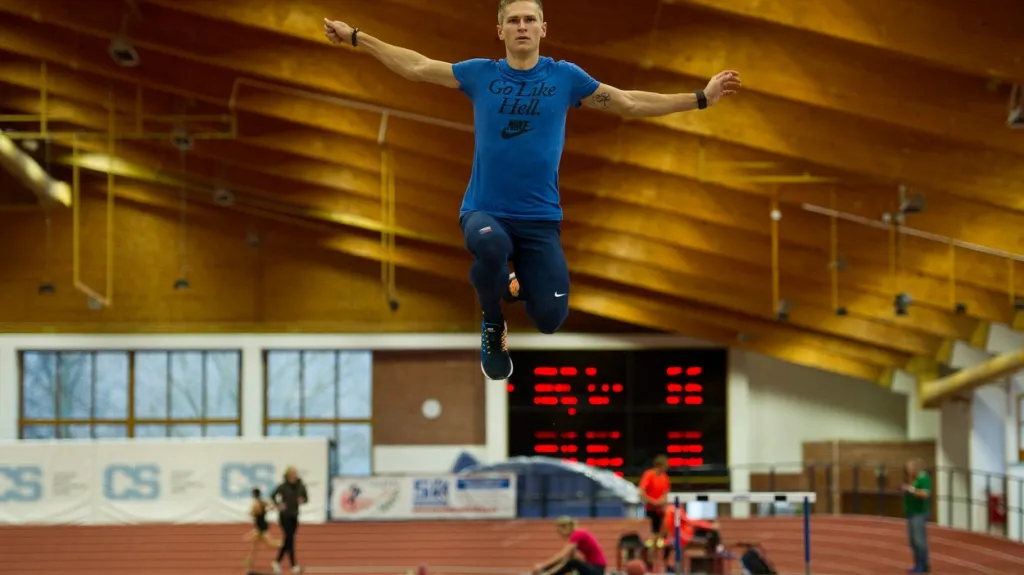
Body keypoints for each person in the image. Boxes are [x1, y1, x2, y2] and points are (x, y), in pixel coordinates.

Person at [323, 0, 742, 380]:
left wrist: (700, 99)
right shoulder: (479, 74)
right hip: (486, 211)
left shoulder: (566, 79)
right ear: (500, 31)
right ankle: (492, 324)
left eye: (529, 20)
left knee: (549, 319)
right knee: (489, 246)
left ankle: (512, 285)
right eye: (513, 20)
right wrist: (358, 38)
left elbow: (628, 103)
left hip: (541, 221)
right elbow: (416, 66)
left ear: (544, 29)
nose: (521, 26)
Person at [532, 516, 607, 575]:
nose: (559, 534)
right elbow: (566, 559)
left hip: (596, 569)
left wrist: (543, 566)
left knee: (573, 562)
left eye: (559, 530)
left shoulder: (578, 534)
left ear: (566, 527)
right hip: (593, 567)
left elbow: (562, 554)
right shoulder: (576, 536)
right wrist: (548, 568)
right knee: (571, 562)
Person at [270, 466, 308, 574]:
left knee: (289, 539)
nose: (294, 475)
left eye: (295, 473)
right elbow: (272, 495)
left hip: (294, 515)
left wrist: (302, 500)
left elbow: (306, 498)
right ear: (288, 474)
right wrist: (279, 504)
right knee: (290, 538)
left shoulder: (301, 486)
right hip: (284, 516)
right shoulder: (283, 486)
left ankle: (277, 562)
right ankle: (293, 565)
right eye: (292, 473)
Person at [901, 459, 932, 573]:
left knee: (919, 540)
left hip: (918, 513)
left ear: (915, 468)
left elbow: (925, 494)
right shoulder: (916, 479)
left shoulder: (924, 478)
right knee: (913, 541)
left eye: (909, 469)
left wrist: (910, 490)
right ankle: (918, 564)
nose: (908, 472)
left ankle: (923, 564)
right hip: (911, 512)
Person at [243, 487, 282, 570]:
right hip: (261, 526)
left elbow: (253, 514)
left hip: (261, 528)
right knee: (254, 546)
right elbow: (271, 507)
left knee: (271, 545)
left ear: (254, 495)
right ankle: (249, 561)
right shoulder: (263, 502)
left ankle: (284, 545)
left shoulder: (256, 504)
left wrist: (252, 512)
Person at [638, 455, 672, 548]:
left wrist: (661, 501)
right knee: (653, 535)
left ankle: (662, 554)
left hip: (660, 509)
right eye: (666, 465)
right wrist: (653, 501)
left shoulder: (665, 477)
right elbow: (641, 491)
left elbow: (665, 493)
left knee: (662, 533)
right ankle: (650, 557)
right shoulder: (649, 474)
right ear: (660, 465)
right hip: (650, 509)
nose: (667, 467)